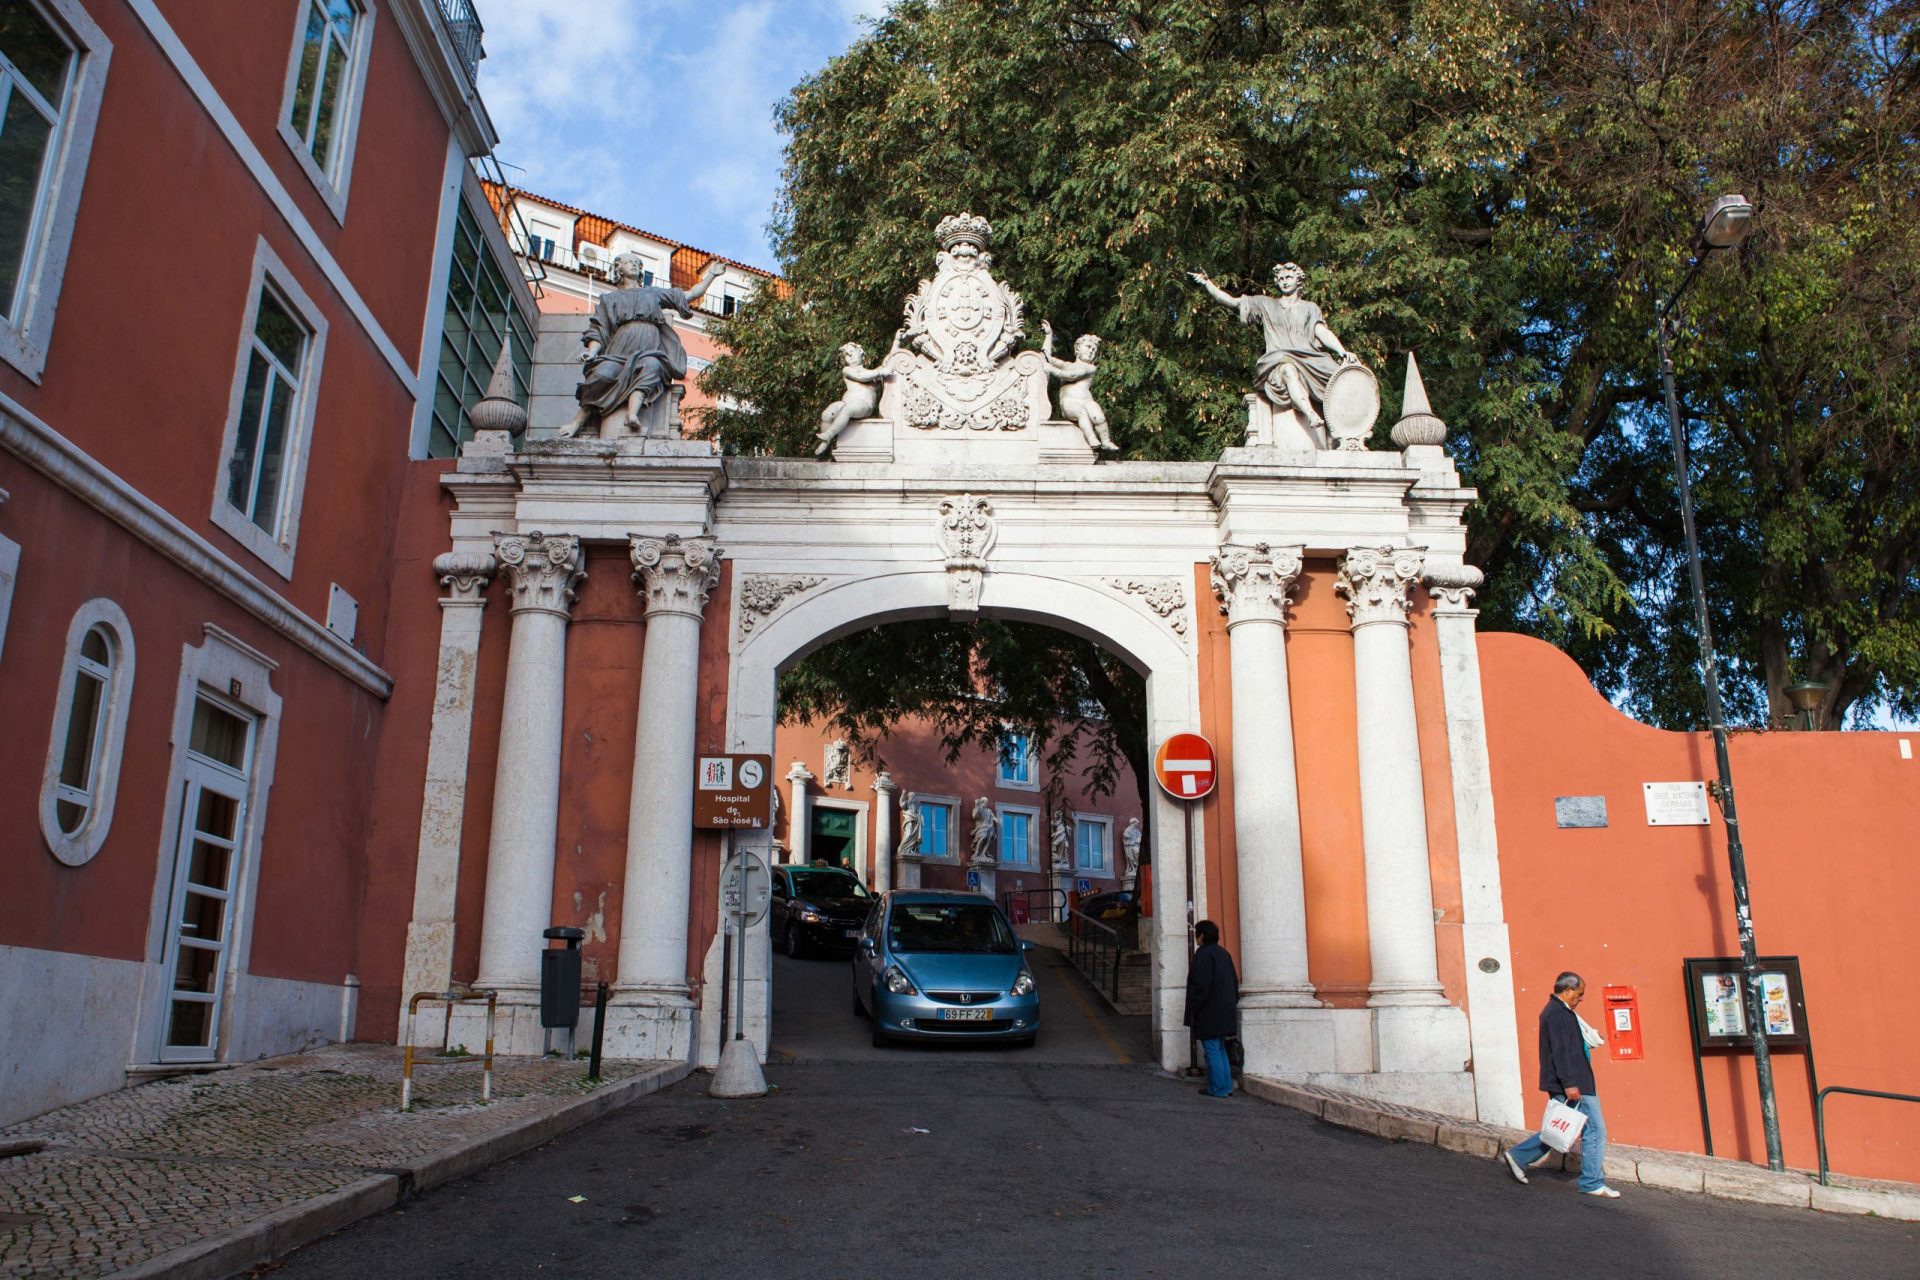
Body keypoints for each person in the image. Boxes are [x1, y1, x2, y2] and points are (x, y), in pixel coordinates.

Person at [559, 253, 725, 438]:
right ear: (618, 268)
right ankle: (578, 421)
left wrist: (711, 274)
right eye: (629, 262)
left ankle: (632, 414)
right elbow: (599, 329)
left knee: (652, 366)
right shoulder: (609, 299)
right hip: (619, 347)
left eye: (638, 263)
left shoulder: (652, 294)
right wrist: (591, 353)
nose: (634, 265)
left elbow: (691, 294)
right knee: (602, 373)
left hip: (649, 347)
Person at [1188, 261, 1359, 433]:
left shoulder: (1310, 308)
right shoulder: (1265, 304)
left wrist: (1342, 351)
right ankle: (1310, 413)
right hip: (1278, 360)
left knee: (1342, 378)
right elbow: (1232, 302)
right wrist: (1207, 283)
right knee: (1289, 370)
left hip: (1309, 359)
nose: (1285, 281)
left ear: (1298, 280)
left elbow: (1322, 332)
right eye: (1281, 278)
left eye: (1289, 277)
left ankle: (1345, 428)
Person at [1500, 971, 1620, 1198]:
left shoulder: (1558, 1012)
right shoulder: (1557, 1014)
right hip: (1575, 1083)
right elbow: (1560, 1052)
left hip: (1572, 1082)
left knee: (1560, 1127)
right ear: (1568, 990)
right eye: (1579, 994)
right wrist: (1569, 1084)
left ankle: (1519, 1156)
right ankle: (1592, 1182)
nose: (1580, 999)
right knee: (1595, 1131)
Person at [1185, 920, 1239, 1098]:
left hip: (1210, 1010)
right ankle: (1227, 1086)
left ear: (1201, 936)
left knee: (1212, 1048)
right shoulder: (1224, 954)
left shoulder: (1203, 955)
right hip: (1226, 1009)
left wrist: (1194, 1006)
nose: (1196, 938)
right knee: (1220, 1047)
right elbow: (1234, 981)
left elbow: (1201, 985)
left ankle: (1217, 1087)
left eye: (1197, 934)